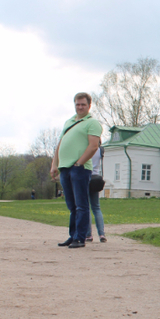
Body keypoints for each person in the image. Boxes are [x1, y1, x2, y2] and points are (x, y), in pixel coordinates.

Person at [50, 92, 102, 248]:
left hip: (79, 168)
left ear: (89, 106)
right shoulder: (69, 122)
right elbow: (60, 144)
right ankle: (72, 235)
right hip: (64, 167)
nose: (80, 107)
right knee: (72, 206)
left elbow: (93, 146)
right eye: (77, 104)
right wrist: (54, 164)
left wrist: (79, 163)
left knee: (81, 205)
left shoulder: (92, 123)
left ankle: (80, 237)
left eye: (83, 104)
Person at [85, 146, 107, 243]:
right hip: (96, 178)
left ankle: (88, 234)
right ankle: (102, 234)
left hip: (86, 176)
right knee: (96, 208)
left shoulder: (86, 148)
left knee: (86, 207)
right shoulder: (100, 149)